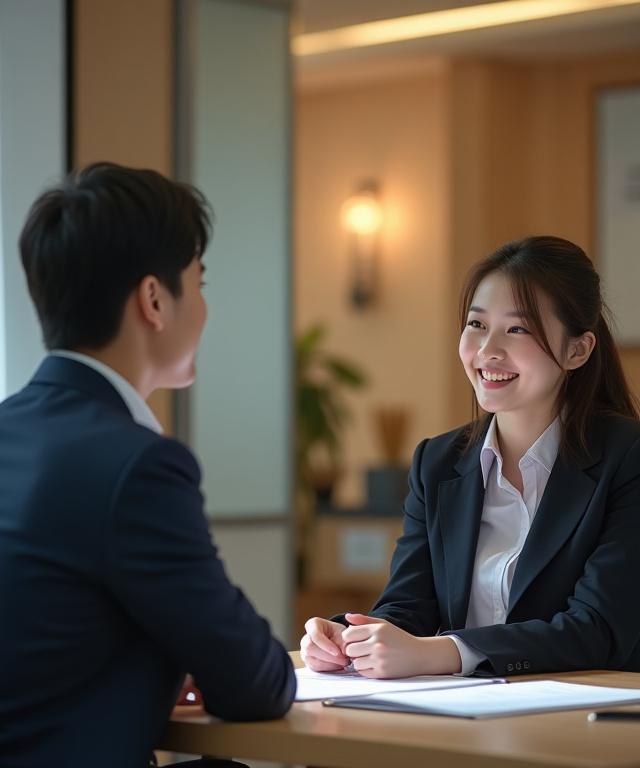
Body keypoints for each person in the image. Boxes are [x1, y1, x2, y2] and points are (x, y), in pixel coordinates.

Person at [0, 163, 295, 768]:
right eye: (199, 282)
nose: (205, 307)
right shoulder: (137, 466)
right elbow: (257, 682)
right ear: (154, 299)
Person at [301, 235, 640, 679]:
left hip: (588, 711)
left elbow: (596, 630)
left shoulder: (627, 457)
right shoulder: (437, 463)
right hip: (468, 710)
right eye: (477, 324)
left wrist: (445, 653)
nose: (487, 350)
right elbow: (407, 609)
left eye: (517, 329)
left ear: (577, 350)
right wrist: (348, 638)